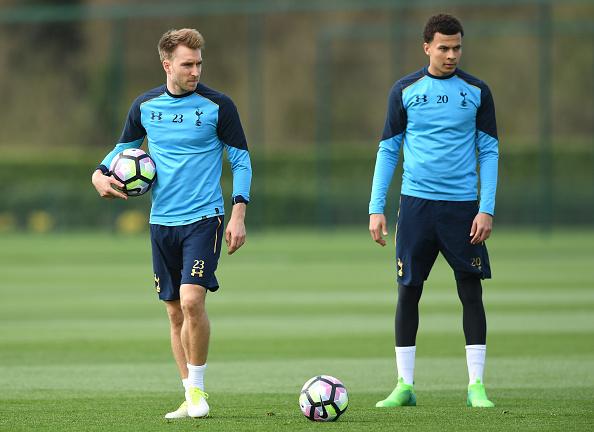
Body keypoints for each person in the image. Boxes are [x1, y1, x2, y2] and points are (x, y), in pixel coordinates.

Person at [91, 28, 252, 419]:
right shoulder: (145, 106)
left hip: (205, 218)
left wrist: (238, 213)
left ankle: (198, 392)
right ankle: (190, 395)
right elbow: (121, 149)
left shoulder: (218, 106)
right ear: (167, 65)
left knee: (193, 300)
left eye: (199, 63)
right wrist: (98, 174)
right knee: (174, 312)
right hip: (162, 222)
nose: (196, 70)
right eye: (187, 64)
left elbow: (241, 160)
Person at [369, 14, 498, 408]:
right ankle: (404, 385)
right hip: (417, 207)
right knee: (408, 292)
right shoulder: (405, 90)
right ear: (427, 47)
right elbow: (389, 149)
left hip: (463, 209)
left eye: (457, 47)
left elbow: (489, 150)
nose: (451, 54)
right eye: (443, 47)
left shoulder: (477, 91)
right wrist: (377, 208)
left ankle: (476, 386)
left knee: (470, 292)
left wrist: (486, 208)